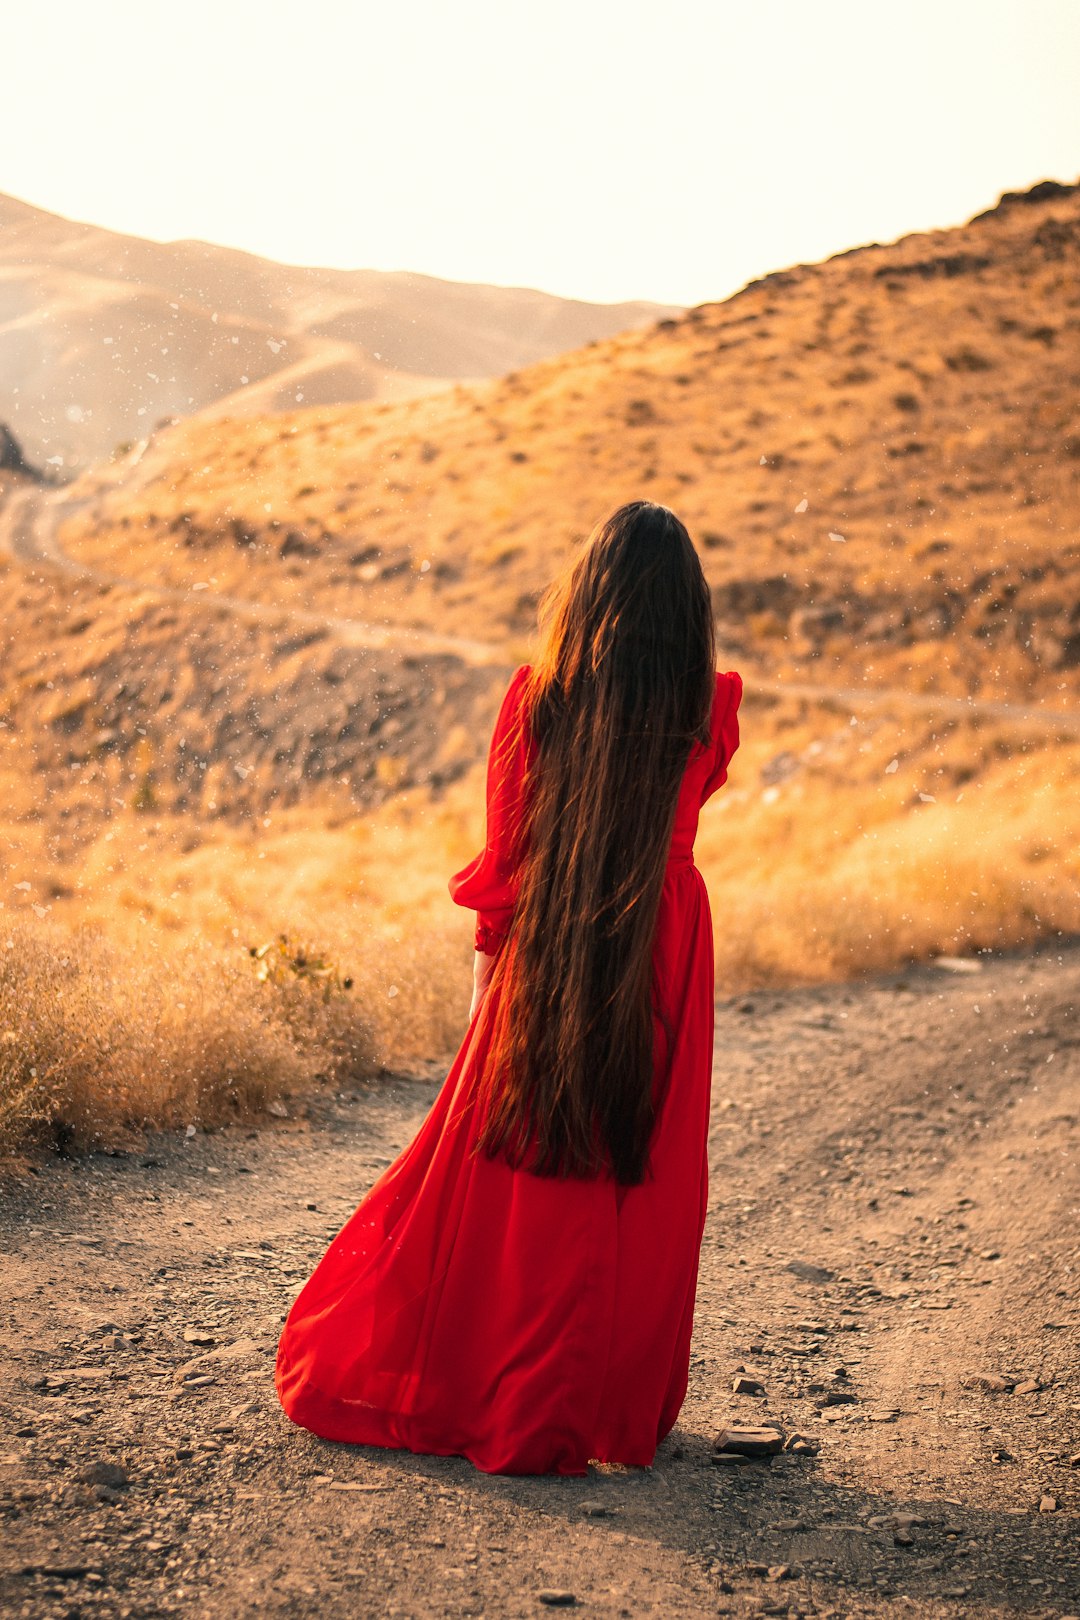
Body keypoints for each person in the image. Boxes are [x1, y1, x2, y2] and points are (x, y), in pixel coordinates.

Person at [274, 500, 743, 1476]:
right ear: (689, 615)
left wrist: (484, 1020)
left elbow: (502, 878)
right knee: (640, 1189)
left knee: (522, 1186)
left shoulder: (539, 704)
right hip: (664, 953)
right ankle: (607, 1400)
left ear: (588, 599)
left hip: (553, 952)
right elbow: (678, 807)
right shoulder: (709, 714)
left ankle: (507, 1386)